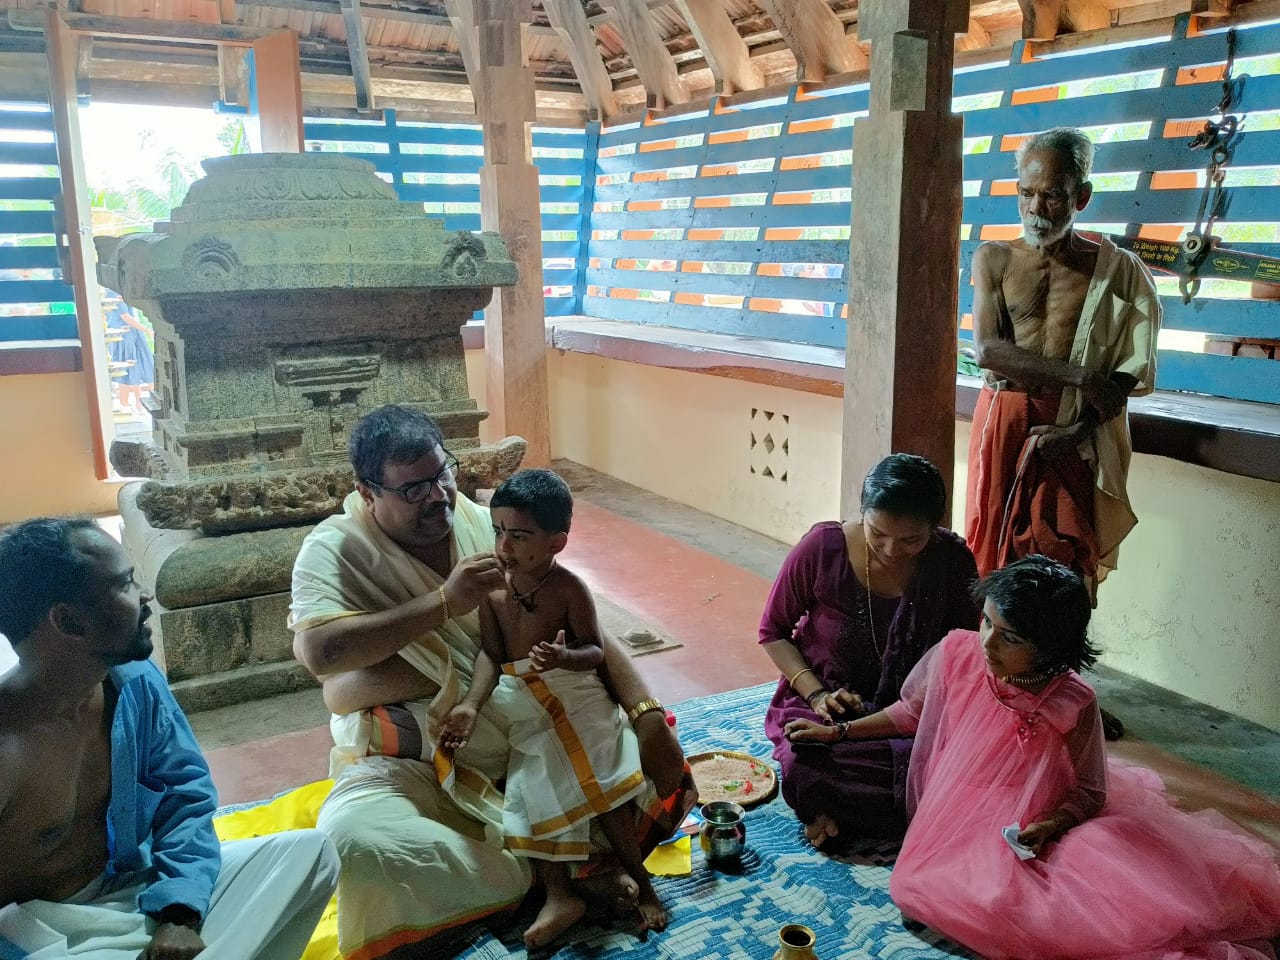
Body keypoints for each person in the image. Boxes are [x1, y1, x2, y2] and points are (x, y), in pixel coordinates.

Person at [290, 405, 695, 959]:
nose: (437, 496)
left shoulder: (482, 521)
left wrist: (646, 714)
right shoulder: (336, 549)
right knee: (356, 843)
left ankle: (555, 869)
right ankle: (556, 873)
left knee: (643, 768)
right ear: (367, 491)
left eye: (442, 474)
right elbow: (320, 654)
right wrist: (441, 604)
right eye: (414, 489)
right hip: (416, 755)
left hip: (527, 732)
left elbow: (579, 620)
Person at [787, 556, 1280, 960]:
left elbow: (1090, 791)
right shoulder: (958, 652)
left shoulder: (1071, 702)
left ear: (1050, 649)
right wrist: (839, 733)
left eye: (1011, 638)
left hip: (1028, 815)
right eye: (987, 622)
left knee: (977, 900)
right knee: (904, 874)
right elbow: (909, 712)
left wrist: (1053, 824)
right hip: (958, 803)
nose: (988, 642)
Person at [0, 517, 339, 960]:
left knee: (310, 856)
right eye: (123, 585)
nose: (146, 597)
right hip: (47, 934)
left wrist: (178, 913)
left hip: (141, 893)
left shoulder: (135, 683)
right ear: (68, 621)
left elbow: (186, 797)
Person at [441, 468, 663, 949]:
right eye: (499, 532)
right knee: (532, 792)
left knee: (601, 790)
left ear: (556, 542)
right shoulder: (494, 591)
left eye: (519, 536)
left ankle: (644, 884)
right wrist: (471, 706)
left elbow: (595, 652)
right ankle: (560, 894)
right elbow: (491, 656)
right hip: (525, 703)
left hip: (576, 698)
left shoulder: (569, 589)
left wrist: (563, 657)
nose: (504, 546)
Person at [966, 126, 1161, 606]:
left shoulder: (1119, 272)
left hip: (1077, 431)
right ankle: (996, 670)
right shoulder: (994, 259)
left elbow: (1127, 373)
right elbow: (989, 351)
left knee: (1066, 556)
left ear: (1082, 197)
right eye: (1026, 194)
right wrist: (1080, 377)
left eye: (1052, 195)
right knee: (994, 550)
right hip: (1005, 424)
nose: (1035, 209)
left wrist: (1077, 431)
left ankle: (1059, 674)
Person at [759, 453, 979, 850]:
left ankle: (834, 811)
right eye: (878, 533)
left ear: (936, 526)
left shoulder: (952, 561)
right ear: (862, 514)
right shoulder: (822, 549)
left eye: (912, 539)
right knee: (801, 760)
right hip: (828, 699)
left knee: (967, 765)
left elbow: (966, 649)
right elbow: (773, 632)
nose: (892, 550)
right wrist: (818, 695)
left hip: (914, 708)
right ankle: (875, 809)